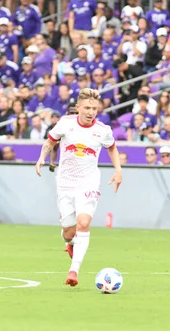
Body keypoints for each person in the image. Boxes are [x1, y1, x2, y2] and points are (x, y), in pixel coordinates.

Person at [35, 88, 122, 287]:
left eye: (95, 108)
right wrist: (41, 158)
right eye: (87, 108)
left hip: (89, 182)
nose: (91, 112)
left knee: (83, 222)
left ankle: (74, 270)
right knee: (68, 231)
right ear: (78, 108)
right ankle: (69, 243)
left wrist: (118, 171)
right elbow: (50, 143)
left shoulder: (102, 130)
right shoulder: (65, 124)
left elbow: (112, 149)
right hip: (65, 182)